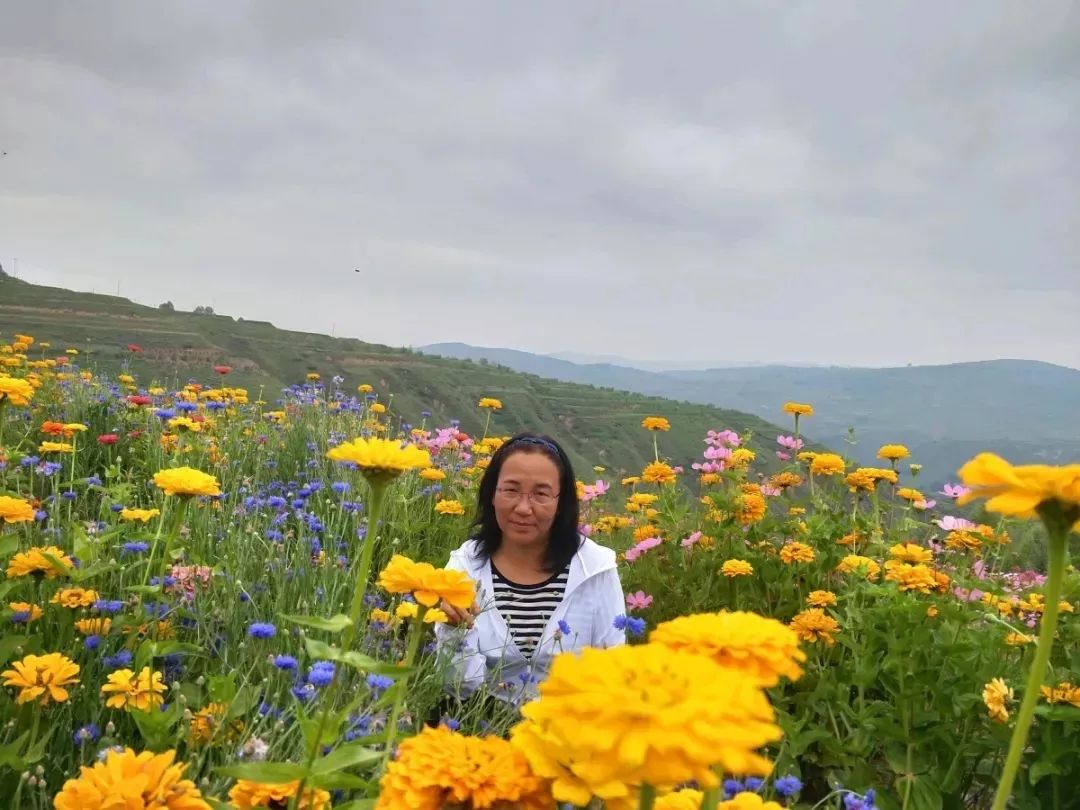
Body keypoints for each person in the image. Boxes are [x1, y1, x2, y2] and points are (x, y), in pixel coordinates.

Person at [433, 432, 626, 711]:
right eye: (511, 490)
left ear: (561, 503)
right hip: (480, 728)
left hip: (570, 733)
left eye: (541, 494)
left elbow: (613, 674)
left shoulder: (595, 569)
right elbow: (457, 688)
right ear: (492, 495)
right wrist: (454, 633)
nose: (523, 508)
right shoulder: (466, 567)